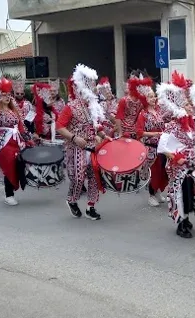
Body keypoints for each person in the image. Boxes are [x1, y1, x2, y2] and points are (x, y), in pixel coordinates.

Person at [156, 71, 195, 238]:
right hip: (177, 167)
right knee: (178, 193)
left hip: (190, 164)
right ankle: (180, 222)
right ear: (180, 108)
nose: (192, 107)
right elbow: (163, 147)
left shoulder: (190, 126)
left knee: (188, 192)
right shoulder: (172, 126)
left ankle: (186, 218)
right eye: (188, 105)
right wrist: (176, 158)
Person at [56, 64, 111, 220]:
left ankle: (90, 207)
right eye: (91, 86)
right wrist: (74, 138)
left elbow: (96, 126)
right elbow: (60, 127)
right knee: (78, 178)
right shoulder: (71, 107)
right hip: (76, 147)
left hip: (92, 145)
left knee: (94, 177)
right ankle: (72, 200)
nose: (93, 90)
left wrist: (103, 134)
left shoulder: (94, 107)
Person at [0, 78, 32, 206]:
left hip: (16, 142)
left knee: (18, 165)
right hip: (3, 143)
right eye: (3, 95)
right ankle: (9, 194)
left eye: (8, 95)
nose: (7, 97)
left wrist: (28, 139)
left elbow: (20, 125)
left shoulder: (13, 110)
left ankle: (8, 188)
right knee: (10, 165)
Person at [130, 74, 168, 206]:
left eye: (154, 96)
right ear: (145, 99)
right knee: (154, 172)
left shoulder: (158, 111)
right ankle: (151, 195)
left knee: (162, 171)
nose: (154, 98)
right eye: (151, 97)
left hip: (162, 146)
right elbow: (139, 132)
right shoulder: (143, 114)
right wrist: (154, 134)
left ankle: (158, 192)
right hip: (151, 148)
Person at [115, 70, 147, 139]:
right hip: (124, 132)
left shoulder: (141, 100)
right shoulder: (124, 100)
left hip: (135, 132)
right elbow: (118, 117)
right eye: (131, 82)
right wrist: (120, 133)